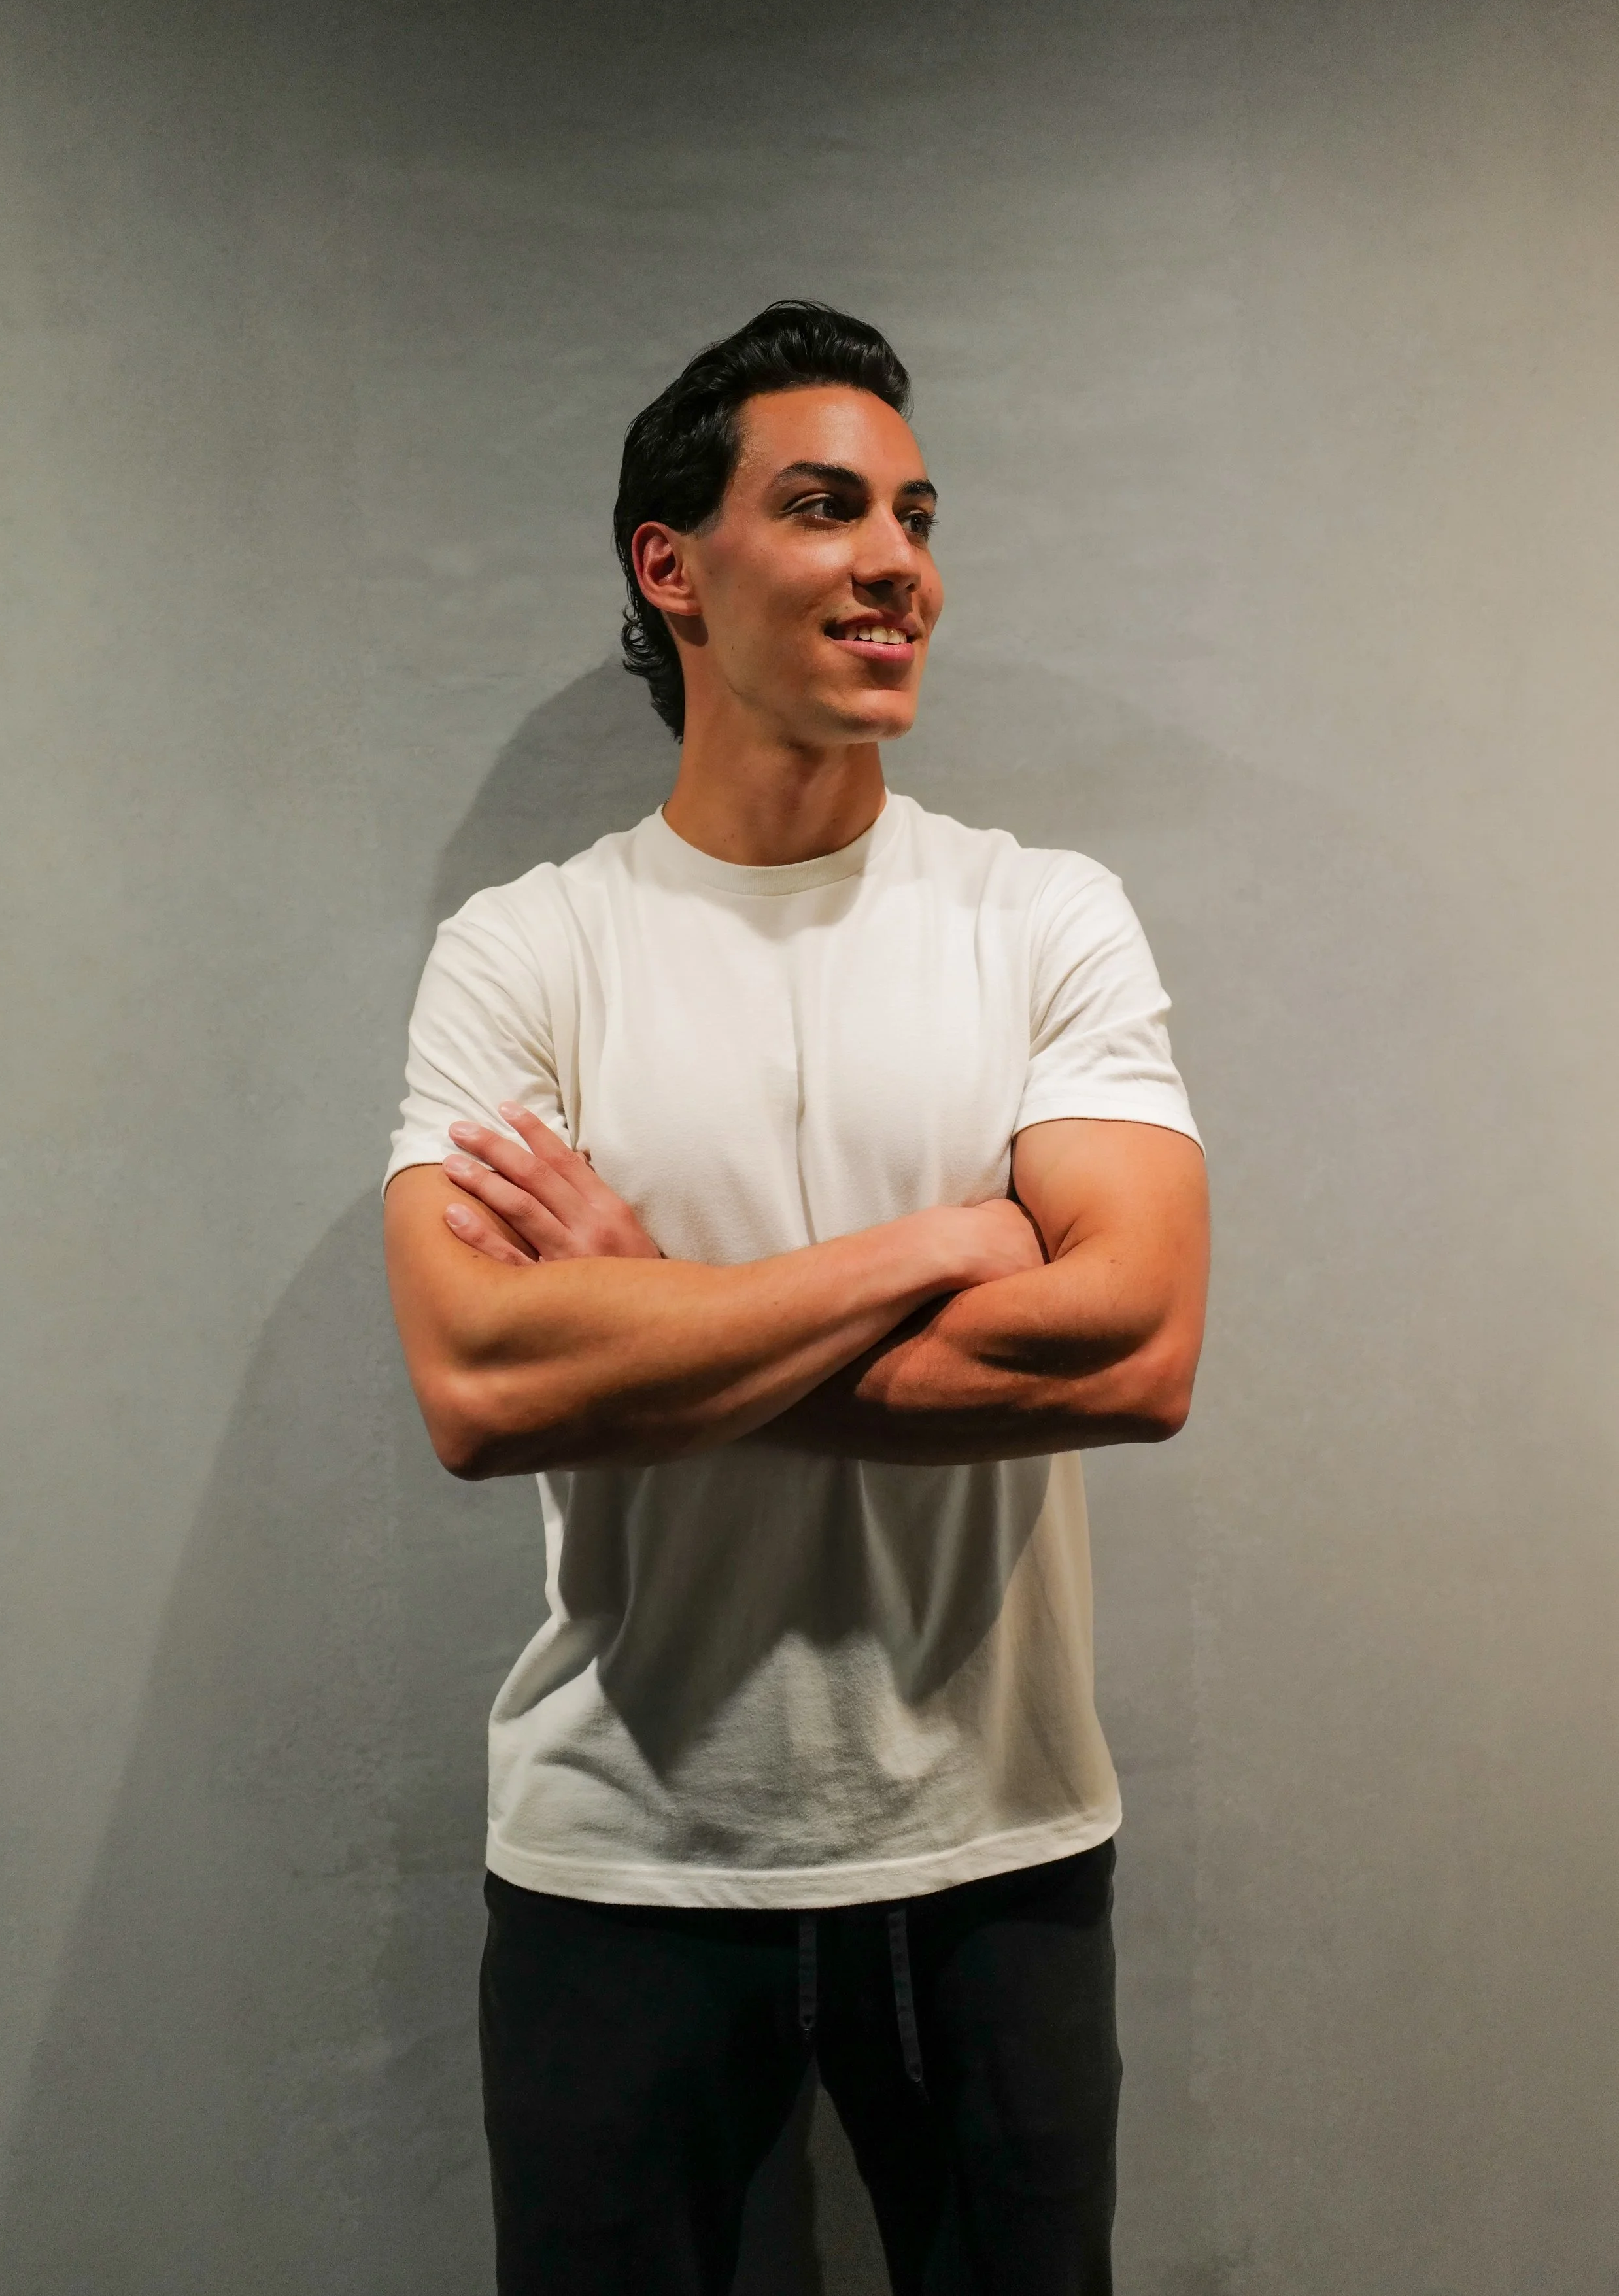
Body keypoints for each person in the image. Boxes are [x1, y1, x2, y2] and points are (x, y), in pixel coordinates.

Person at [382, 300, 1210, 2296]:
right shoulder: (526, 951)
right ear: (671, 567)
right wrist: (931, 1248)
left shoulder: (1040, 916)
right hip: (620, 1852)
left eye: (914, 516)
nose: (896, 561)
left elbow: (1140, 1346)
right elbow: (480, 1388)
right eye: (826, 507)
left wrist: (653, 1322)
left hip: (996, 1849)